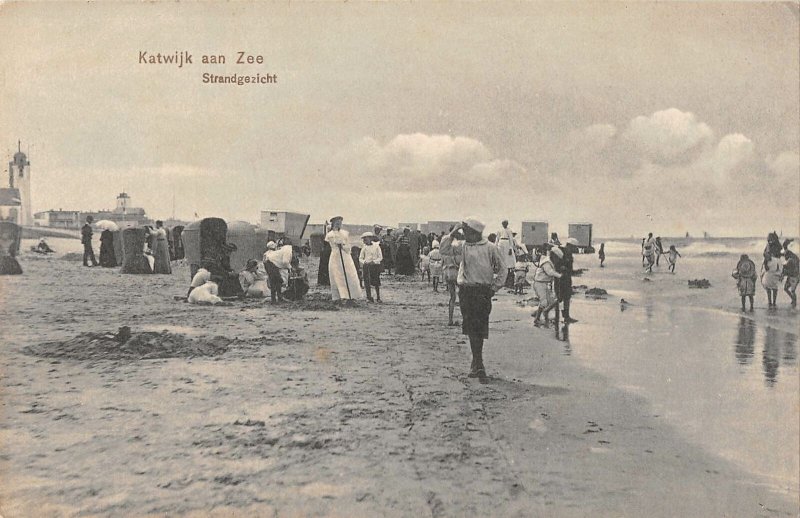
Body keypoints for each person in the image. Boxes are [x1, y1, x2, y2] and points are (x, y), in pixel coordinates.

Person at [450, 218, 504, 380]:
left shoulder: (490, 248)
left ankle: (477, 364)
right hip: (466, 291)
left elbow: (503, 269)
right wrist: (453, 232)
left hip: (483, 292)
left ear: (476, 233)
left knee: (479, 328)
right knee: (471, 328)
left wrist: (494, 288)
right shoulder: (463, 246)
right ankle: (478, 364)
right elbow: (445, 248)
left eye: (466, 232)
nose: (464, 235)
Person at [325, 216, 362, 301]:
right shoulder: (330, 235)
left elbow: (348, 245)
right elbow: (331, 244)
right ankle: (340, 296)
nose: (339, 224)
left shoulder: (345, 233)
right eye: (337, 223)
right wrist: (337, 244)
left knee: (349, 274)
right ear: (333, 224)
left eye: (340, 223)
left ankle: (351, 295)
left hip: (345, 256)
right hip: (335, 256)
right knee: (338, 276)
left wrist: (343, 246)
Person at [439, 225, 464, 326]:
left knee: (452, 297)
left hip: (447, 272)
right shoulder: (460, 245)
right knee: (462, 296)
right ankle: (464, 319)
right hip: (457, 272)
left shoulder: (445, 245)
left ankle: (450, 319)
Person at [531, 247, 562, 327]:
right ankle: (537, 318)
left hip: (544, 283)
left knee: (551, 301)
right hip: (539, 283)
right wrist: (560, 276)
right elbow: (550, 272)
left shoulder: (549, 261)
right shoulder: (547, 262)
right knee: (544, 302)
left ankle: (540, 313)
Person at [358, 231, 383, 302]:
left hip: (375, 266)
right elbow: (360, 258)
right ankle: (369, 297)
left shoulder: (377, 246)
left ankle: (378, 297)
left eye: (366, 239)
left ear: (370, 239)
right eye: (364, 240)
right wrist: (364, 262)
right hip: (367, 266)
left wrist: (374, 261)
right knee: (367, 282)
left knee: (376, 282)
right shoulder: (364, 247)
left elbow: (380, 257)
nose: (364, 241)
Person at [496, 220, 517, 288]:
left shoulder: (509, 230)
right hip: (501, 243)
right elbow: (497, 239)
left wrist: (510, 248)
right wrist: (495, 247)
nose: (504, 225)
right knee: (501, 259)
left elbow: (511, 239)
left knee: (508, 260)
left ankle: (508, 276)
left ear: (507, 224)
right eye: (503, 223)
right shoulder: (499, 230)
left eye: (505, 223)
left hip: (507, 243)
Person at [782, 240, 798, 308]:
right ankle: (793, 300)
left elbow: (786, 269)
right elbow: (784, 246)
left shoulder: (791, 260)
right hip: (792, 276)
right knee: (786, 288)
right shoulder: (792, 257)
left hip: (794, 276)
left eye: (785, 256)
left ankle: (794, 301)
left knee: (792, 290)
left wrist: (782, 275)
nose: (784, 257)